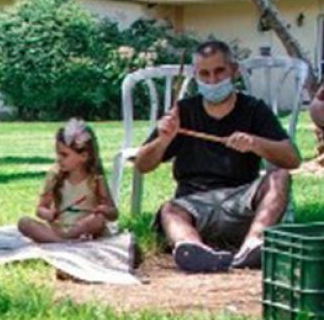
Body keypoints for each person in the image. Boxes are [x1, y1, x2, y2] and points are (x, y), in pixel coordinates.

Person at [135, 40, 301, 272]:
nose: (212, 80)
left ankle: (254, 244)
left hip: (242, 203)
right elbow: (142, 165)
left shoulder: (253, 109)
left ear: (233, 71)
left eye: (219, 71)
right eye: (204, 74)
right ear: (195, 76)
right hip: (194, 204)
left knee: (279, 177)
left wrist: (255, 143)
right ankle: (193, 249)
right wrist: (163, 140)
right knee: (169, 210)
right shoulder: (182, 112)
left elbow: (292, 159)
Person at [18, 119, 117, 243]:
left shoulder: (96, 178)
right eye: (58, 154)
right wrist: (48, 214)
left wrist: (104, 209)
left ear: (83, 156)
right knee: (24, 223)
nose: (59, 159)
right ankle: (62, 240)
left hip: (84, 229)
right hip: (58, 228)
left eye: (64, 155)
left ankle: (62, 240)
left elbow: (114, 214)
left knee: (99, 220)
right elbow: (40, 208)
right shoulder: (54, 176)